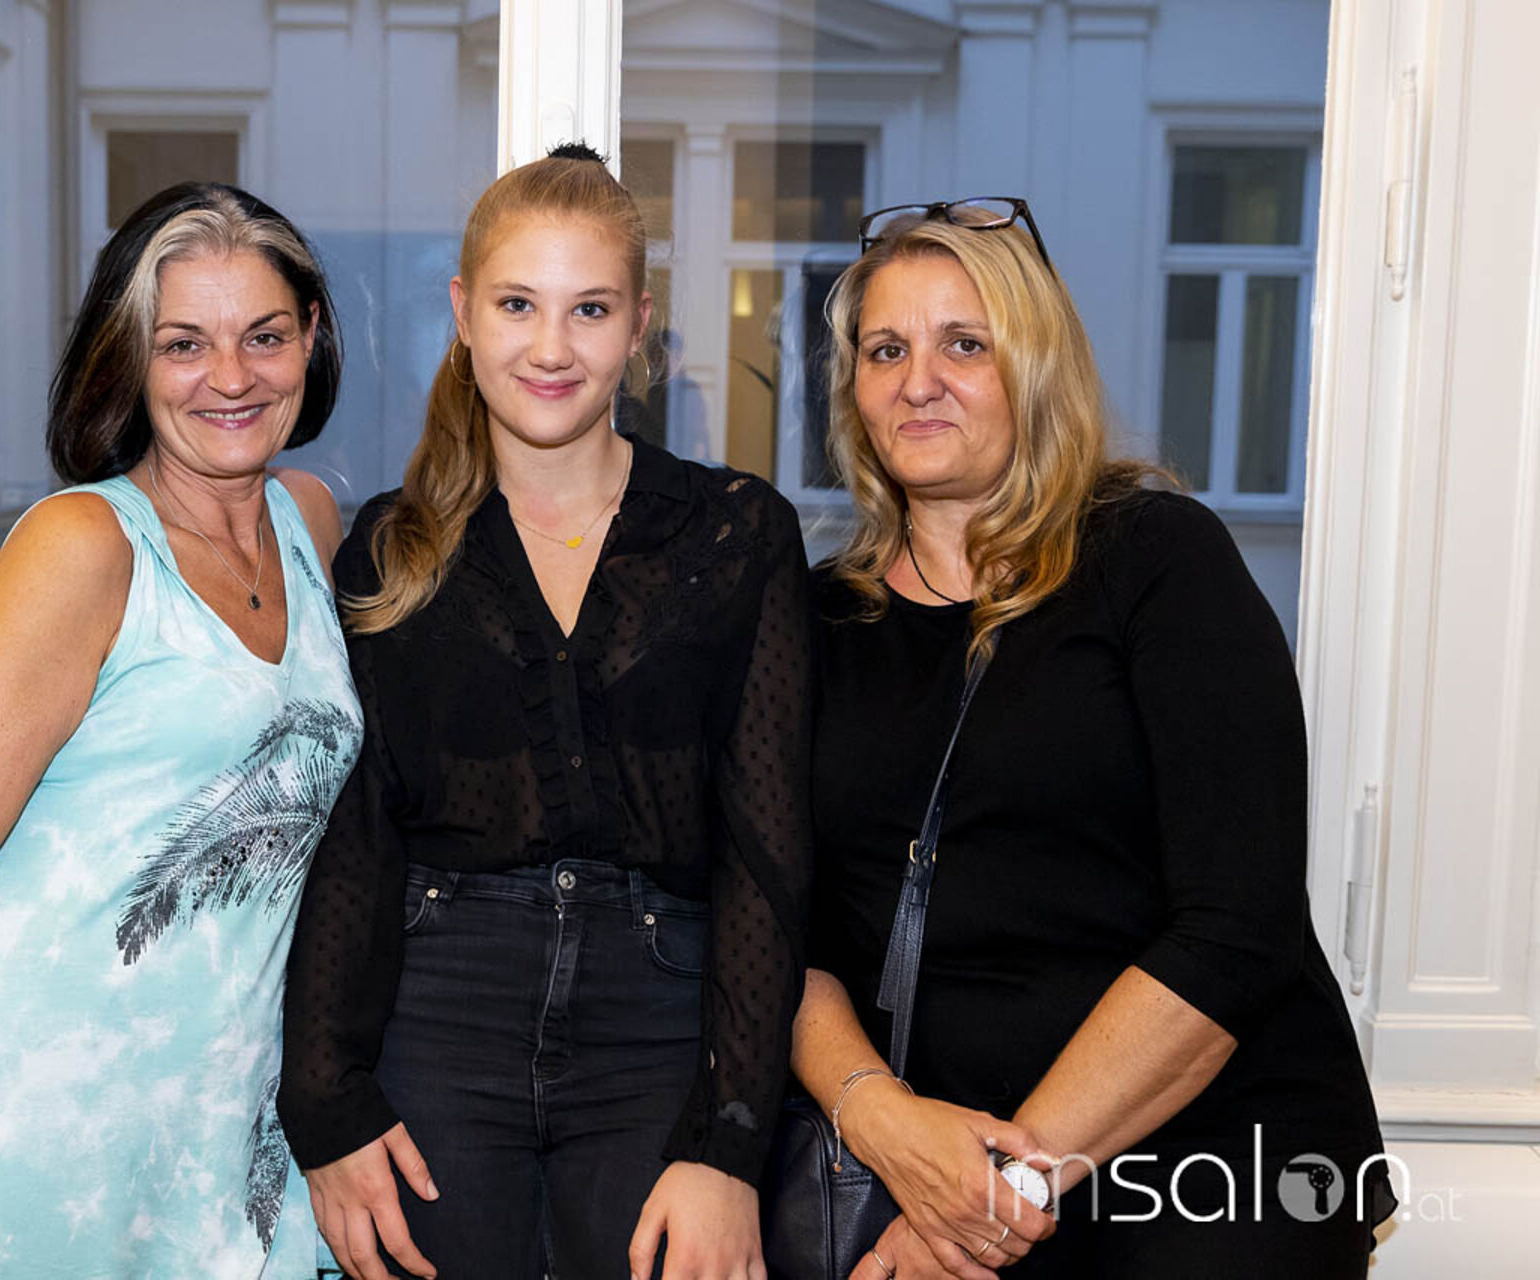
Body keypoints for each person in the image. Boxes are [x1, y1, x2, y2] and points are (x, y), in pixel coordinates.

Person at [793, 199, 1391, 1279]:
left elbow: (1236, 929)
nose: (918, 380)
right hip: (928, 1167)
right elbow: (773, 929)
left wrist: (987, 1204)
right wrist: (881, 1119)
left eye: (964, 344)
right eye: (886, 350)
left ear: (1037, 371)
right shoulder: (815, 620)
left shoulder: (1157, 561)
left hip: (1206, 1171)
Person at [0, 181, 359, 1278]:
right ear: (131, 359)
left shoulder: (310, 523)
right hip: (18, 1149)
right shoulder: (85, 547)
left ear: (311, 338)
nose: (232, 377)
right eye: (183, 343)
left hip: (209, 1151)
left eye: (264, 336)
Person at [278, 144, 812, 1280]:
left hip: (660, 1029)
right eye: (518, 304)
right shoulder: (392, 547)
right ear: (463, 314)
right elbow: (354, 836)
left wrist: (731, 1140)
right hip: (435, 1019)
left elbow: (766, 854)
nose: (553, 347)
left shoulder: (736, 533)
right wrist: (324, 1101)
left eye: (591, 309)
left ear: (641, 325)